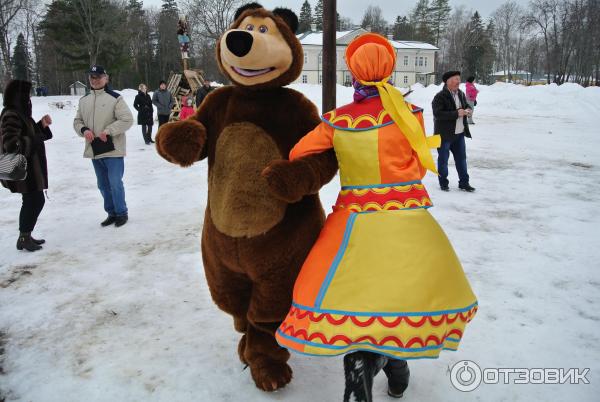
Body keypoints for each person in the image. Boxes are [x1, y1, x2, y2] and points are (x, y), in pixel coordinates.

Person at [273, 34, 478, 401]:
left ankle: (365, 362)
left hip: (353, 218)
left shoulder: (337, 122)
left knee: (348, 293)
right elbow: (417, 166)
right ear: (389, 68)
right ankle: (392, 365)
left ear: (353, 72)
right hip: (407, 217)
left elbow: (297, 152)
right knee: (401, 297)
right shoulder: (408, 114)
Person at [73, 65, 134, 227]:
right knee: (103, 185)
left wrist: (109, 131)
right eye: (92, 77)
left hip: (113, 148)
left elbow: (127, 119)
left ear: (106, 78)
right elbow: (77, 121)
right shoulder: (84, 100)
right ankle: (111, 212)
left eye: (98, 77)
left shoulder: (115, 98)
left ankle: (121, 212)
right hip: (95, 149)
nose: (95, 80)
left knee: (115, 182)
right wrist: (84, 129)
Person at [0, 80, 53, 251]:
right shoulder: (11, 115)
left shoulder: (19, 113)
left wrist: (40, 126)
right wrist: (35, 139)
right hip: (24, 170)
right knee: (35, 200)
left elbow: (27, 133)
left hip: (30, 169)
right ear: (19, 96)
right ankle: (24, 236)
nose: (29, 98)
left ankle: (25, 236)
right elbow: (11, 144)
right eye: (27, 94)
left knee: (32, 200)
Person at [432, 71, 475, 192]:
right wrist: (457, 113)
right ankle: (443, 183)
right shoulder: (440, 96)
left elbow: (467, 105)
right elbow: (438, 114)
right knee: (443, 160)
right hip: (444, 135)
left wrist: (468, 109)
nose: (458, 81)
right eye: (456, 79)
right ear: (448, 81)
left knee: (461, 159)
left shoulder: (460, 94)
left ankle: (464, 182)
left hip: (459, 134)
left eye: (459, 79)